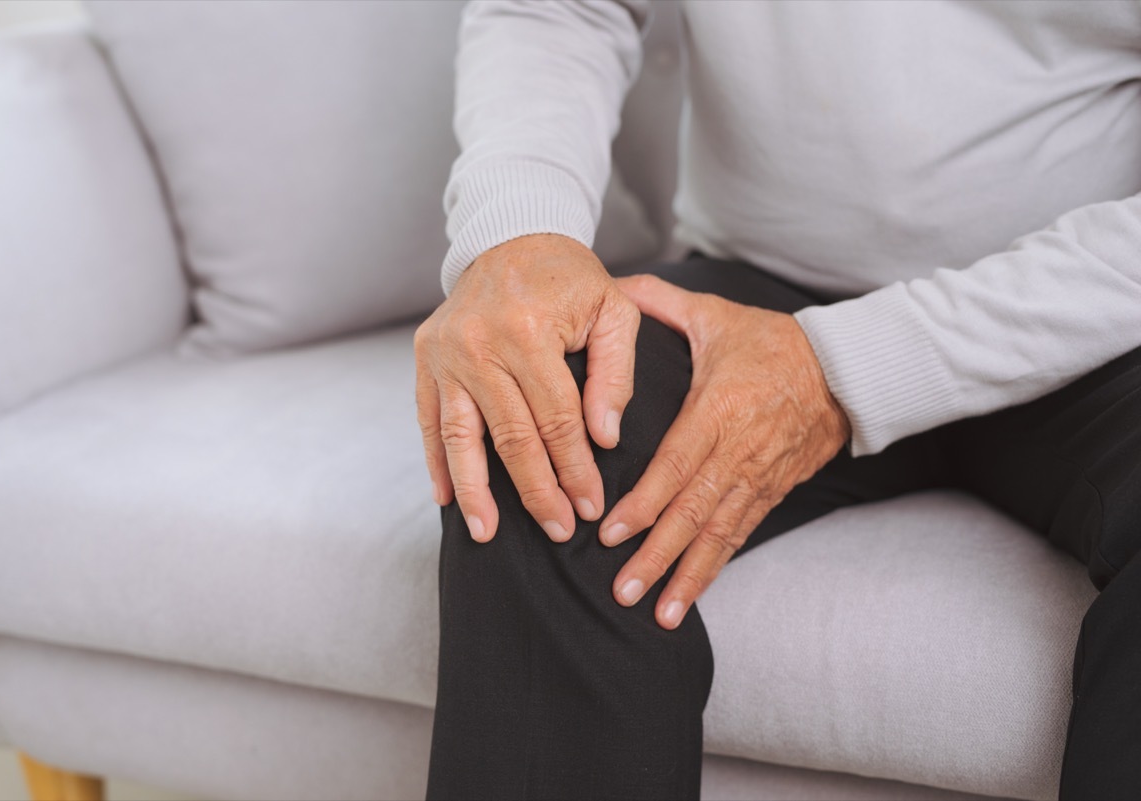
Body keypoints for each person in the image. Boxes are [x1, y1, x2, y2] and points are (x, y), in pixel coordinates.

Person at [413, 2, 1141, 799]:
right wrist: (520, 235)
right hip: (754, 298)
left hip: (1090, 316)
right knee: (542, 438)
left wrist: (845, 367)